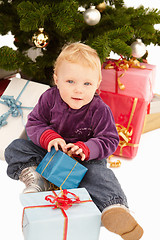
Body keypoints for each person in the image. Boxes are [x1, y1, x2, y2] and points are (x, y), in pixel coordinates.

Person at [5, 42, 143, 239]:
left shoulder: (99, 109)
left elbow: (109, 139)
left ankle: (114, 208)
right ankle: (37, 177)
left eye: (87, 84)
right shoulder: (49, 98)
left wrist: (86, 148)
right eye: (70, 81)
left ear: (97, 84)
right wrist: (49, 137)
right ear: (57, 80)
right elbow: (34, 123)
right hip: (50, 156)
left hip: (85, 162)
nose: (79, 90)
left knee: (101, 176)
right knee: (16, 147)